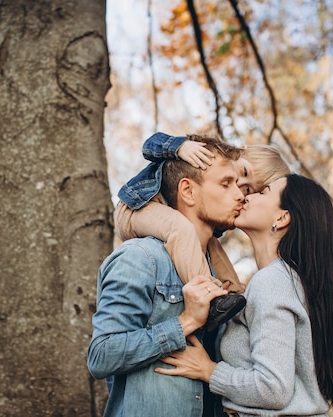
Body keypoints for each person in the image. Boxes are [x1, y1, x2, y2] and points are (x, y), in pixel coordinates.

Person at [156, 174, 333, 416]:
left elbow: (272, 389)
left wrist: (208, 370)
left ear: (282, 217)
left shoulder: (272, 281)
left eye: (263, 192)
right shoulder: (289, 280)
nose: (247, 196)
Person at [87, 134, 247, 417]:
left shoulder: (215, 267)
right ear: (187, 191)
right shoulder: (140, 258)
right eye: (226, 184)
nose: (240, 194)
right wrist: (185, 322)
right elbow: (101, 356)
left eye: (239, 184)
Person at [115, 132, 291, 330]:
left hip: (168, 213)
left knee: (212, 245)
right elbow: (149, 145)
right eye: (243, 173)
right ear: (239, 152)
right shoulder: (198, 152)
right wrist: (180, 147)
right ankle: (208, 294)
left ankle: (233, 291)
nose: (239, 189)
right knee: (181, 228)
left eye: (248, 190)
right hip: (136, 207)